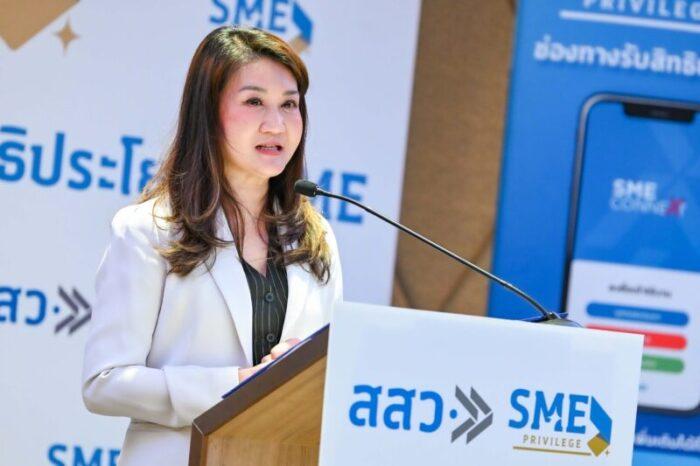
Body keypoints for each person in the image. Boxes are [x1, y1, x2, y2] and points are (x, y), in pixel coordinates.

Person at [81, 26, 342, 466]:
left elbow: (332, 376)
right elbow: (104, 382)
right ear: (208, 112)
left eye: (289, 104)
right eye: (254, 102)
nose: (276, 124)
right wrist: (240, 384)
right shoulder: (148, 229)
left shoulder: (316, 237)